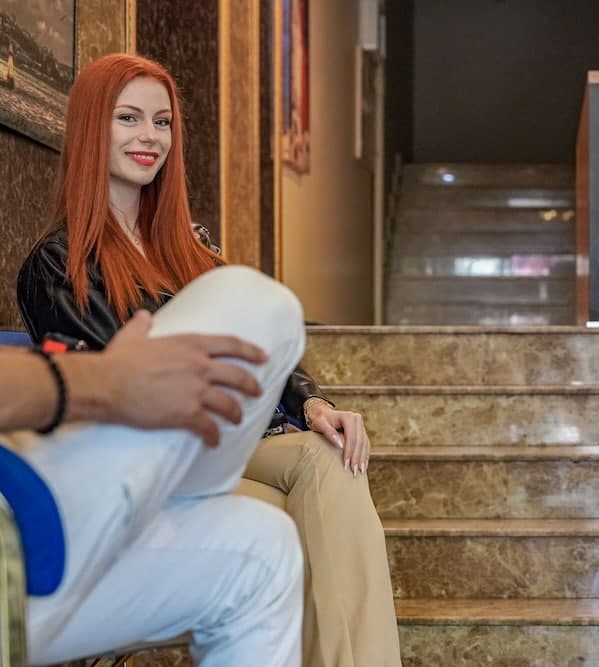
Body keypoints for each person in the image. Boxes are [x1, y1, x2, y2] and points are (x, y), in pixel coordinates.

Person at [16, 53, 400, 666]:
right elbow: (114, 389)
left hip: (234, 437)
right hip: (157, 454)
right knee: (296, 523)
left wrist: (313, 405)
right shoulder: (58, 264)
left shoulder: (189, 248)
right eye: (128, 118)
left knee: (331, 460)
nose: (149, 136)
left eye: (162, 121)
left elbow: (260, 352)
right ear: (92, 126)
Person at [5, 265, 306, 665]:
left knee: (262, 550)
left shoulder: (183, 255)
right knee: (257, 299)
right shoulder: (57, 263)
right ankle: (178, 473)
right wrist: (105, 379)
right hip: (17, 522)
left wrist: (312, 403)